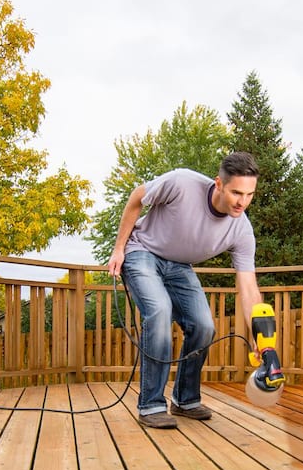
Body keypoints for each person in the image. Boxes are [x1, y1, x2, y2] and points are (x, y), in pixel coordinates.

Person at [108, 152, 263, 429]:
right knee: (159, 311)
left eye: (250, 194)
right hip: (142, 251)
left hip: (179, 266)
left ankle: (185, 399)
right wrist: (119, 248)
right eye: (236, 192)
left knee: (204, 326)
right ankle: (151, 405)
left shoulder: (241, 230)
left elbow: (249, 287)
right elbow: (136, 198)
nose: (243, 202)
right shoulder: (181, 183)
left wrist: (258, 335)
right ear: (219, 184)